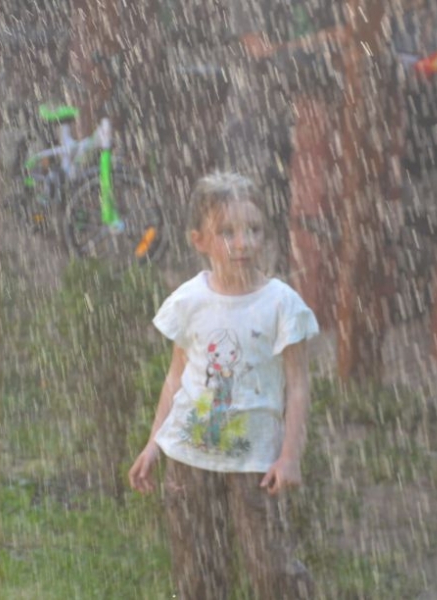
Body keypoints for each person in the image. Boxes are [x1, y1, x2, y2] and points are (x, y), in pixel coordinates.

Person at [128, 172, 319, 599]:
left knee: (271, 566)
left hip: (256, 463)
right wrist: (154, 444)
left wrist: (289, 457)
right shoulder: (189, 300)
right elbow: (176, 377)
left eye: (254, 229)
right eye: (227, 232)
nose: (243, 243)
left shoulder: (281, 305)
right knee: (197, 570)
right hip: (188, 458)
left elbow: (297, 386)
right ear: (199, 241)